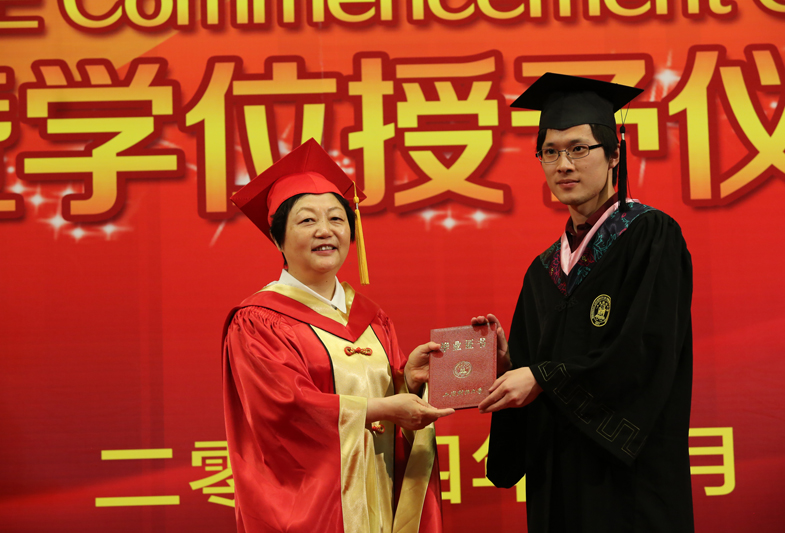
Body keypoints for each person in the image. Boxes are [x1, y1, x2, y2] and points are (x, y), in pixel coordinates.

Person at [477, 73, 695, 532]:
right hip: (557, 484)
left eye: (579, 149)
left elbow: (645, 351)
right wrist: (510, 366)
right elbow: (536, 376)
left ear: (614, 154)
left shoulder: (650, 237)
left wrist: (542, 377)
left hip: (627, 484)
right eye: (550, 152)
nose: (563, 165)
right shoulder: (543, 272)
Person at [222, 139, 454, 533]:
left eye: (336, 218)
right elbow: (285, 410)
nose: (325, 230)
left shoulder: (372, 318)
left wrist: (408, 381)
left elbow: (388, 402)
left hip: (379, 497)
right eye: (307, 221)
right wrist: (379, 409)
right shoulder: (259, 321)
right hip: (316, 511)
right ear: (277, 239)